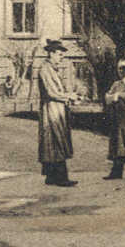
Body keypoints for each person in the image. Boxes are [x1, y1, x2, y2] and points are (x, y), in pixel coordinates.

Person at [38, 40, 80, 187]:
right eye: (60, 54)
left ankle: (51, 176)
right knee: (56, 139)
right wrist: (69, 96)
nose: (61, 57)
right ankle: (61, 177)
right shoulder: (45, 69)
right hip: (51, 109)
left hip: (57, 108)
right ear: (51, 53)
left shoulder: (52, 69)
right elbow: (51, 92)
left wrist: (69, 96)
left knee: (54, 140)